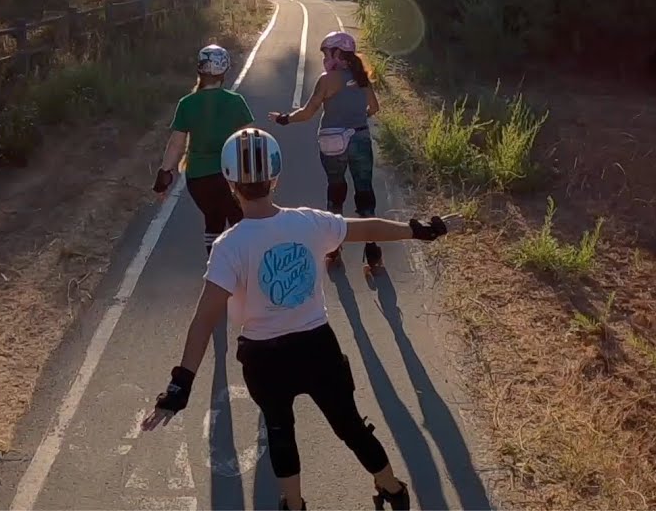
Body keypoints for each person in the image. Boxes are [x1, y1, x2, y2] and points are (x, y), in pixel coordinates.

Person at [140, 128, 460, 511]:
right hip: (318, 348)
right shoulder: (309, 223)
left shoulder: (228, 247)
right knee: (351, 426)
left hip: (263, 360)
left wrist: (180, 387)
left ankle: (293, 505)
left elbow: (204, 320)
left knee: (280, 432)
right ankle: (392, 489)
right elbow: (368, 227)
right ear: (276, 177)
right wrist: (421, 229)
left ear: (229, 182)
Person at [268, 30, 383, 273]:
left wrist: (284, 119)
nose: (324, 57)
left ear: (337, 53)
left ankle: (334, 250)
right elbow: (373, 107)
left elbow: (308, 112)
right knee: (365, 194)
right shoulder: (362, 78)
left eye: (327, 52)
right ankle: (373, 253)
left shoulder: (327, 80)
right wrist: (357, 119)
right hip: (360, 139)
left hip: (333, 143)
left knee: (336, 191)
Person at [153, 44, 254, 257]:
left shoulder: (187, 103)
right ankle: (244, 266)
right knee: (240, 220)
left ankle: (216, 266)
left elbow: (176, 145)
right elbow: (248, 140)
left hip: (198, 178)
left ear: (199, 70)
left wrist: (164, 176)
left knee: (213, 218)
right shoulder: (235, 102)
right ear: (224, 72)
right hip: (231, 176)